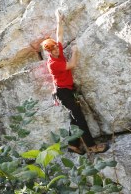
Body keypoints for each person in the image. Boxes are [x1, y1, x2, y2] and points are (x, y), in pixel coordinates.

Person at [41, 10, 108, 154]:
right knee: (80, 119)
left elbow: (59, 35)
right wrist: (75, 52)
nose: (56, 51)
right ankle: (91, 146)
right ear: (49, 53)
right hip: (63, 92)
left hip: (68, 90)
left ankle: (73, 145)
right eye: (53, 51)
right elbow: (71, 65)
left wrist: (58, 19)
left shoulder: (57, 48)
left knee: (74, 118)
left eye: (55, 48)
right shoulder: (52, 63)